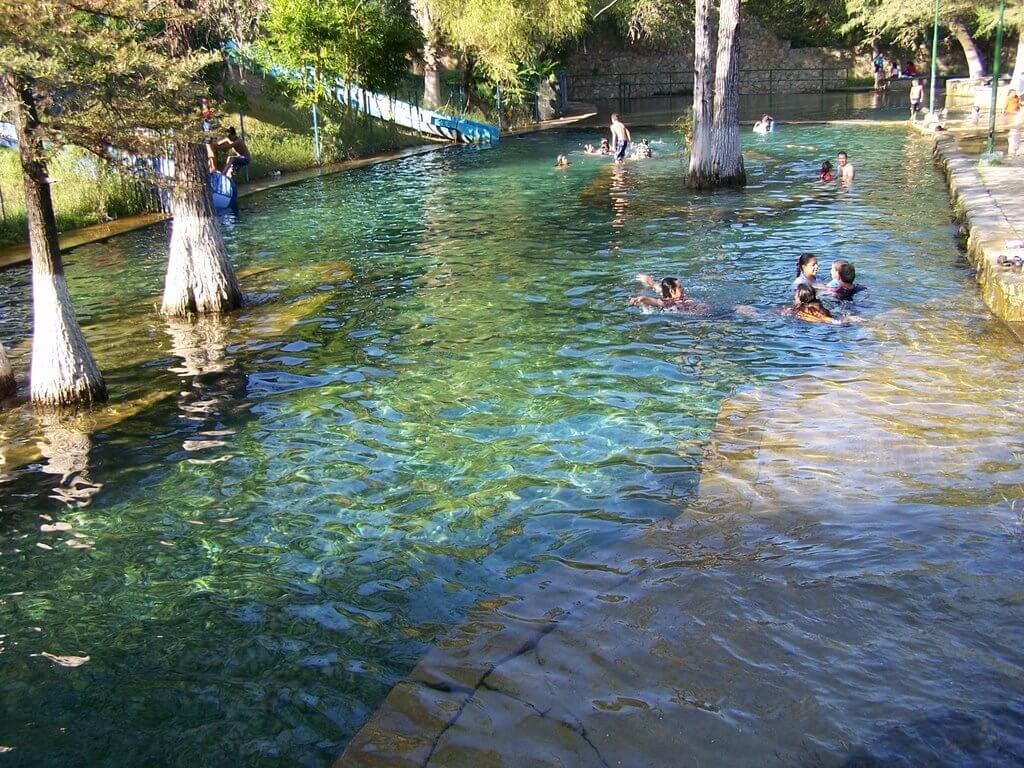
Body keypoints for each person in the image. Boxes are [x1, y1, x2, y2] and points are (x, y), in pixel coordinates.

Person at [629, 273, 706, 312]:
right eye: (679, 287)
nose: (682, 288)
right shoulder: (667, 302)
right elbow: (654, 301)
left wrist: (648, 280)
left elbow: (658, 287)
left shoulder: (667, 292)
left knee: (658, 288)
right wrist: (641, 298)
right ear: (672, 291)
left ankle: (648, 279)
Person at [1005, 89, 1022, 157]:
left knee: (1016, 134)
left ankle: (1015, 149)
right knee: (1013, 134)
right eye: (1013, 93)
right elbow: (1004, 109)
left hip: (1017, 116)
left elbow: (1019, 105)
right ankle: (1012, 150)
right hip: (1011, 116)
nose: (1014, 94)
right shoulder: (1008, 99)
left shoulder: (1017, 98)